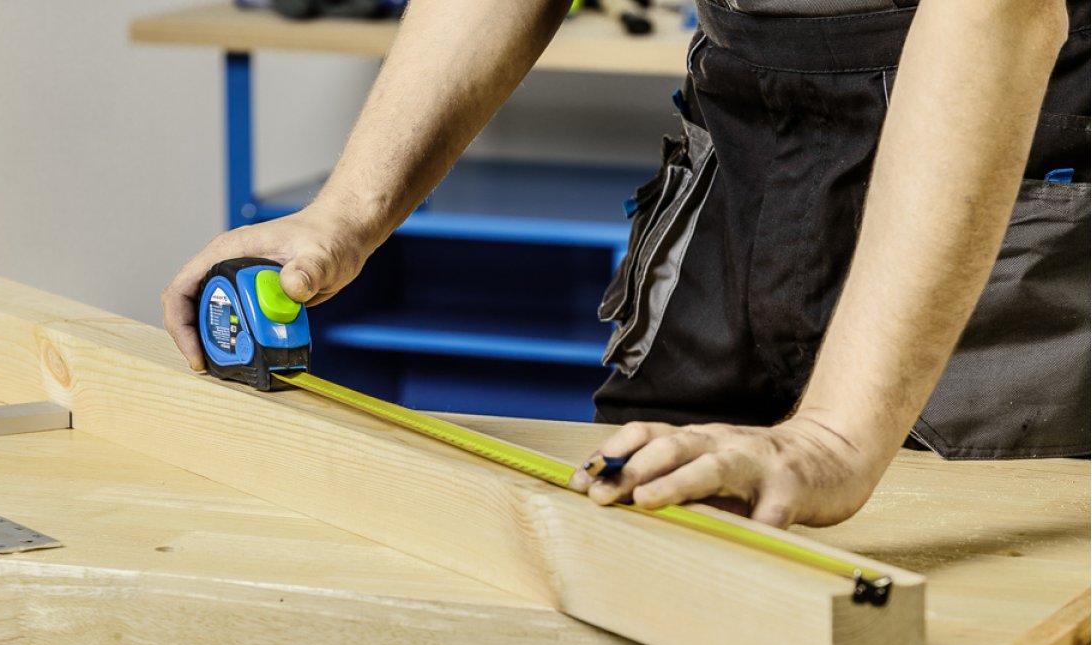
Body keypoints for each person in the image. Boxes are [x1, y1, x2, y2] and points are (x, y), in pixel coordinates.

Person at [163, 0, 1090, 529]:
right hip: (747, 129)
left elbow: (997, 12)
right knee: (645, 516)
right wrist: (345, 215)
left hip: (998, 138)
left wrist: (834, 440)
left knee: (963, 593)